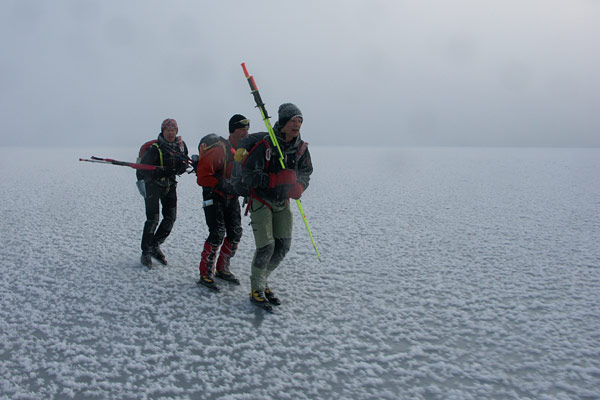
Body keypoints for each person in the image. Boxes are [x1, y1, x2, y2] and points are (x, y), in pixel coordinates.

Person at [242, 103, 313, 308]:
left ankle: (263, 281)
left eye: (299, 120)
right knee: (266, 246)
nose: (297, 124)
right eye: (292, 120)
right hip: (261, 201)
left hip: (283, 202)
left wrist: (300, 185)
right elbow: (248, 175)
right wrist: (274, 179)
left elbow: (306, 172)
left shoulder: (301, 149)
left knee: (282, 246)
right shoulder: (266, 145)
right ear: (282, 122)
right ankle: (257, 288)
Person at [195, 114, 249, 290]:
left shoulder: (244, 151)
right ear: (232, 130)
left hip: (231, 197)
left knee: (235, 233)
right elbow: (202, 177)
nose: (245, 133)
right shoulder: (219, 150)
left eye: (247, 129)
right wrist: (222, 184)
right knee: (217, 233)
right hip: (214, 195)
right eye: (242, 129)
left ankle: (222, 269)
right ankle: (205, 273)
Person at [137, 118, 189, 268]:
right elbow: (142, 169)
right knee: (152, 219)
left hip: (170, 185)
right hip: (153, 186)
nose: (171, 133)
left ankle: (154, 245)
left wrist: (181, 168)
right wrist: (160, 172)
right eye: (168, 130)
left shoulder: (180, 146)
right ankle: (145, 252)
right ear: (163, 131)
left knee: (170, 218)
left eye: (173, 130)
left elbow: (183, 162)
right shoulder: (155, 149)